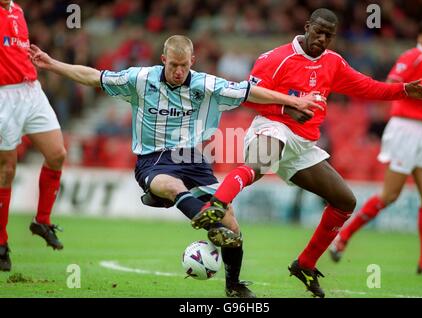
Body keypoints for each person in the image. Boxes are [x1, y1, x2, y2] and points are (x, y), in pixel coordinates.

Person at [29, 35, 323, 297]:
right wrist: (52, 64)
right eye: (173, 65)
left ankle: (233, 286)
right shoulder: (140, 79)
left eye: (183, 65)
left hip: (193, 160)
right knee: (170, 185)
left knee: (231, 223)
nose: (178, 71)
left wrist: (292, 102)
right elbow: (93, 77)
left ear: (192, 61)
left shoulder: (207, 84)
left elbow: (251, 92)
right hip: (153, 158)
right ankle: (202, 217)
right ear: (163, 60)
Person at [190, 8, 422, 298]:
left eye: (329, 36)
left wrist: (404, 90)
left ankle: (305, 264)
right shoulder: (275, 59)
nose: (322, 39)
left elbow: (366, 87)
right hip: (272, 127)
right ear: (307, 27)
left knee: (345, 201)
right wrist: (286, 109)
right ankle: (215, 206)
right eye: (318, 32)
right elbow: (249, 98)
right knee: (259, 164)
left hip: (303, 145)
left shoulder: (333, 62)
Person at [329, 19, 422, 276]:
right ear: (419, 37)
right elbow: (393, 80)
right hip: (406, 128)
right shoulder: (412, 57)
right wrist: (411, 93)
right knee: (390, 195)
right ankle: (343, 236)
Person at [0, 0, 66, 272]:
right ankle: (1, 244)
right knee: (6, 169)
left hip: (31, 90)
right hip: (4, 96)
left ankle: (42, 220)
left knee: (57, 154)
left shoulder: (18, 11)